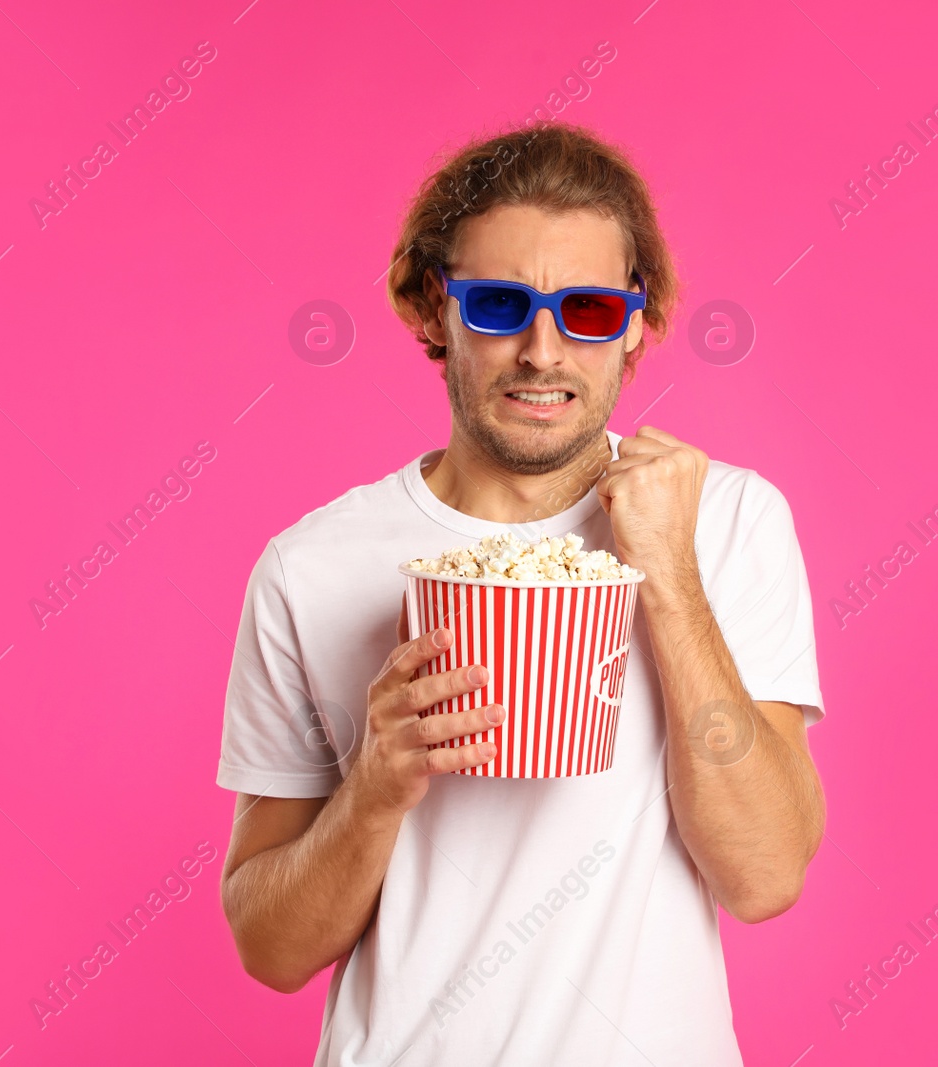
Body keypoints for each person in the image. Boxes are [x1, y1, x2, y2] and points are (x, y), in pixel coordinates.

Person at [217, 122, 827, 1066]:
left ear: (637, 322)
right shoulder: (313, 565)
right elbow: (270, 946)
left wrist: (665, 571)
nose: (543, 352)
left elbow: (765, 873)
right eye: (500, 305)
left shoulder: (727, 520)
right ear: (433, 309)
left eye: (585, 310)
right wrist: (375, 790)